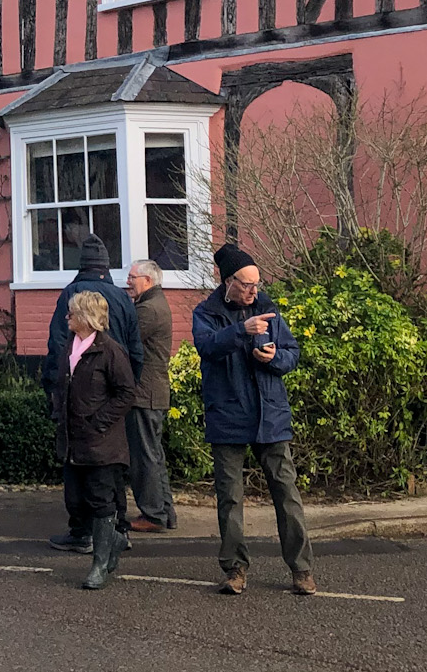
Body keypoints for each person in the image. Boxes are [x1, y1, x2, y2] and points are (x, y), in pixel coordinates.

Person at [191, 242, 316, 596]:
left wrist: (274, 358)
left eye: (257, 284)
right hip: (228, 417)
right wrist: (241, 331)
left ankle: (302, 570)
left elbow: (292, 354)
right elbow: (207, 347)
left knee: (287, 494)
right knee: (230, 498)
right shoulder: (206, 313)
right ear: (227, 281)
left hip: (270, 417)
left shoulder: (269, 310)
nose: (253, 290)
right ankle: (235, 570)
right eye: (246, 284)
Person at [41, 226, 143, 554]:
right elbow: (137, 351)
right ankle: (119, 528)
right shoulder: (123, 300)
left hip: (81, 396)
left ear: (82, 265)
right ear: (106, 266)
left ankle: (83, 531)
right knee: (112, 466)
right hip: (115, 395)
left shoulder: (71, 296)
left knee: (78, 467)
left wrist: (53, 391)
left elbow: (58, 348)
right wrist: (127, 386)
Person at [52, 288, 138, 589]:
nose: (68, 317)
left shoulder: (111, 351)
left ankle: (99, 565)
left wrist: (99, 421)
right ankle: (114, 539)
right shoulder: (70, 345)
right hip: (73, 440)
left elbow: (127, 393)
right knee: (76, 500)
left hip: (101, 444)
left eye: (73, 313)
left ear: (87, 318)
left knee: (101, 501)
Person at [124, 258, 177, 532]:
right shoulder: (154, 304)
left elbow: (125, 339)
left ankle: (153, 515)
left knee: (144, 457)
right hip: (152, 392)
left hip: (145, 394)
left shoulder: (149, 310)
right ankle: (165, 512)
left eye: (132, 277)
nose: (128, 282)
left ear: (148, 280)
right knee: (154, 454)